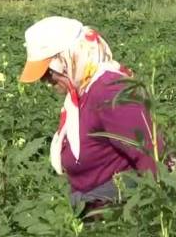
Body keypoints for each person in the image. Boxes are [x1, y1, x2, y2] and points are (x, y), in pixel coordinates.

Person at [18, 16, 163, 213]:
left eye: (48, 73)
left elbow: (150, 156)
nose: (46, 82)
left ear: (68, 59)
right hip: (92, 209)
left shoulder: (109, 91)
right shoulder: (85, 89)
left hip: (116, 218)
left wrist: (156, 218)